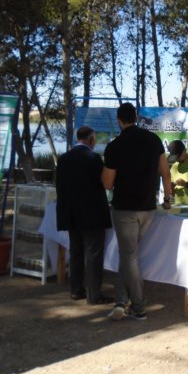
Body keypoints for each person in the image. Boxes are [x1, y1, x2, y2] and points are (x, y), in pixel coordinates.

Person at [102, 102, 172, 321]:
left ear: (119, 120)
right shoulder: (154, 140)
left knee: (129, 256)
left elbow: (107, 183)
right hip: (148, 208)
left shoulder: (114, 146)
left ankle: (138, 307)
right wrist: (167, 198)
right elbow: (166, 173)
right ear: (136, 118)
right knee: (128, 255)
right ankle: (121, 301)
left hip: (125, 208)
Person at [56, 126, 114, 305]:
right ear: (91, 139)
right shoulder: (93, 158)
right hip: (92, 214)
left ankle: (76, 290)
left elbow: (59, 186)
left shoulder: (63, 158)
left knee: (76, 252)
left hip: (71, 214)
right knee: (93, 255)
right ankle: (94, 295)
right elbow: (105, 183)